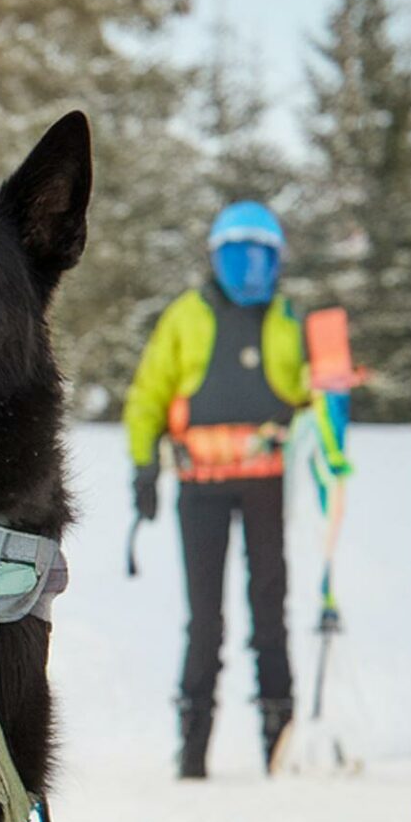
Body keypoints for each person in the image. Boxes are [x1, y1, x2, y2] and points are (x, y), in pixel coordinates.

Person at [123, 200, 309, 779]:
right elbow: (149, 393)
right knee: (205, 618)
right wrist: (143, 466)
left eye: (261, 254)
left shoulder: (287, 319)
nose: (250, 266)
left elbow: (310, 396)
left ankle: (279, 742)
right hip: (200, 486)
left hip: (266, 488)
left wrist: (331, 386)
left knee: (269, 611)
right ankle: (193, 749)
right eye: (240, 253)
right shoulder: (187, 316)